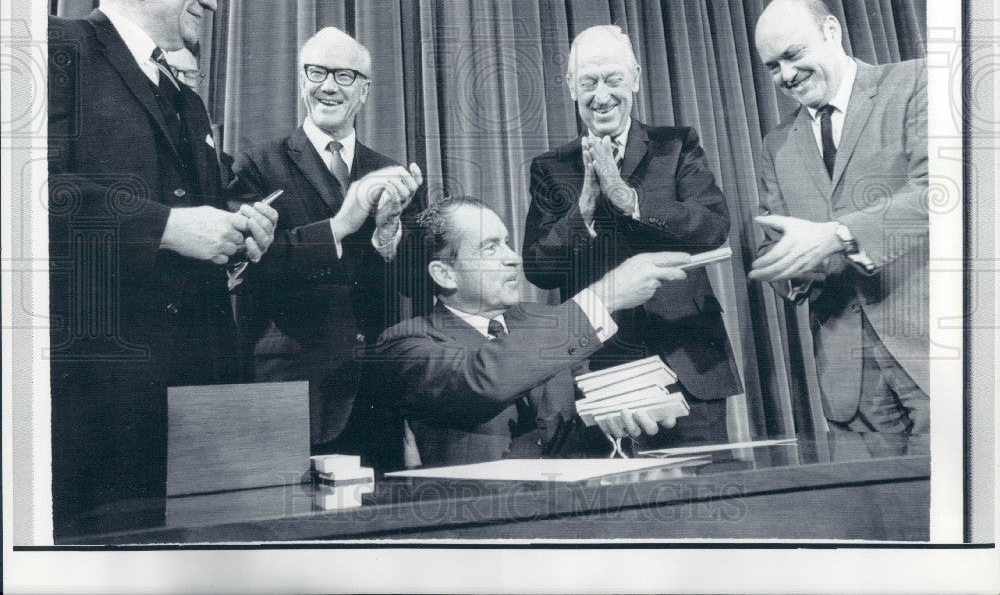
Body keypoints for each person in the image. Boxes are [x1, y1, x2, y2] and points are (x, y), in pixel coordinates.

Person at [47, 0, 278, 536]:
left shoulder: (188, 97)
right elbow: (27, 192)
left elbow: (188, 210)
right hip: (94, 410)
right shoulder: (56, 47)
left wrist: (234, 231)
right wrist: (169, 229)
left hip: (194, 410)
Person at [522, 25, 742, 446]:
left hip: (690, 364)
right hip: (603, 368)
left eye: (613, 80)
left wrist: (630, 200)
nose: (601, 95)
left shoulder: (676, 145)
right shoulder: (551, 168)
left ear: (636, 80)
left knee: (707, 492)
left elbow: (713, 226)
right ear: (571, 87)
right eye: (587, 83)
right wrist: (583, 209)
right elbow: (538, 268)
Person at [376, 196, 694, 467]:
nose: (513, 259)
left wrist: (613, 421)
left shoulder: (548, 319)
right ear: (445, 274)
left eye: (508, 244)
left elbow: (582, 419)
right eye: (490, 248)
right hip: (485, 522)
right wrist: (605, 296)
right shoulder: (405, 344)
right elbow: (483, 378)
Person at [229, 27, 423, 467]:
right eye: (316, 72)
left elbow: (419, 283)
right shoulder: (257, 165)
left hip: (375, 399)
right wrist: (339, 226)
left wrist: (389, 239)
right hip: (292, 394)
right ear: (301, 81)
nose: (328, 85)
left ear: (365, 91)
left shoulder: (390, 172)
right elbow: (248, 270)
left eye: (344, 75)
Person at [749, 0, 929, 436]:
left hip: (934, 355)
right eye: (773, 66)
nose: (787, 75)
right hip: (848, 381)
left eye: (793, 55)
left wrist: (839, 235)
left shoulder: (916, 82)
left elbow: (941, 192)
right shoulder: (777, 144)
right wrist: (785, 265)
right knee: (873, 507)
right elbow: (776, 246)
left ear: (832, 31)